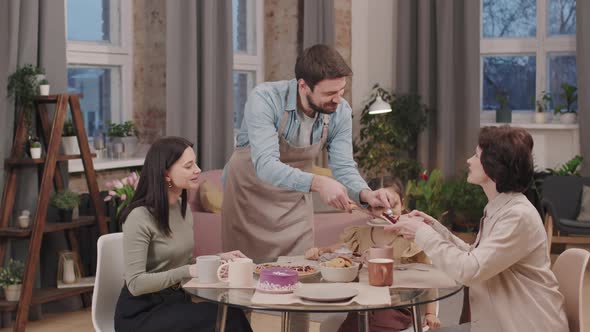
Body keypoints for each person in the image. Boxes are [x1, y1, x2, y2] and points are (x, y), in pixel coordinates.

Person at [222, 44, 397, 259]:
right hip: (249, 200)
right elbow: (265, 165)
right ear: (303, 86)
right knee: (245, 279)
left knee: (300, 270)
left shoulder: (340, 111)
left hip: (293, 203)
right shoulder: (265, 99)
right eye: (330, 93)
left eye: (342, 91)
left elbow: (343, 166)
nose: (338, 99)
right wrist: (319, 183)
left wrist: (365, 194)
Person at [388, 126, 569, 331]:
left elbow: (470, 270)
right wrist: (434, 228)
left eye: (476, 155)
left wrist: (422, 233)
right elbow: (476, 256)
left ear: (494, 166)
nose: (469, 160)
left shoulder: (518, 216)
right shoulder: (500, 208)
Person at [114, 137, 252, 332]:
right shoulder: (139, 217)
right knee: (227, 317)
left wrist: (218, 259)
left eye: (195, 163)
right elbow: (135, 283)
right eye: (188, 166)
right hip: (142, 313)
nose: (197, 170)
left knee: (230, 312)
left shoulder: (182, 209)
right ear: (166, 174)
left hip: (176, 303)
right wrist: (187, 271)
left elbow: (183, 262)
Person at [304, 177, 441, 331]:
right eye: (378, 208)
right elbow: (340, 247)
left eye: (392, 206)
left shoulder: (411, 239)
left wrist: (430, 313)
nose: (384, 213)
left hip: (396, 307)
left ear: (402, 204)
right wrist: (320, 250)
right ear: (368, 208)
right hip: (363, 303)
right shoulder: (360, 234)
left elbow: (430, 278)